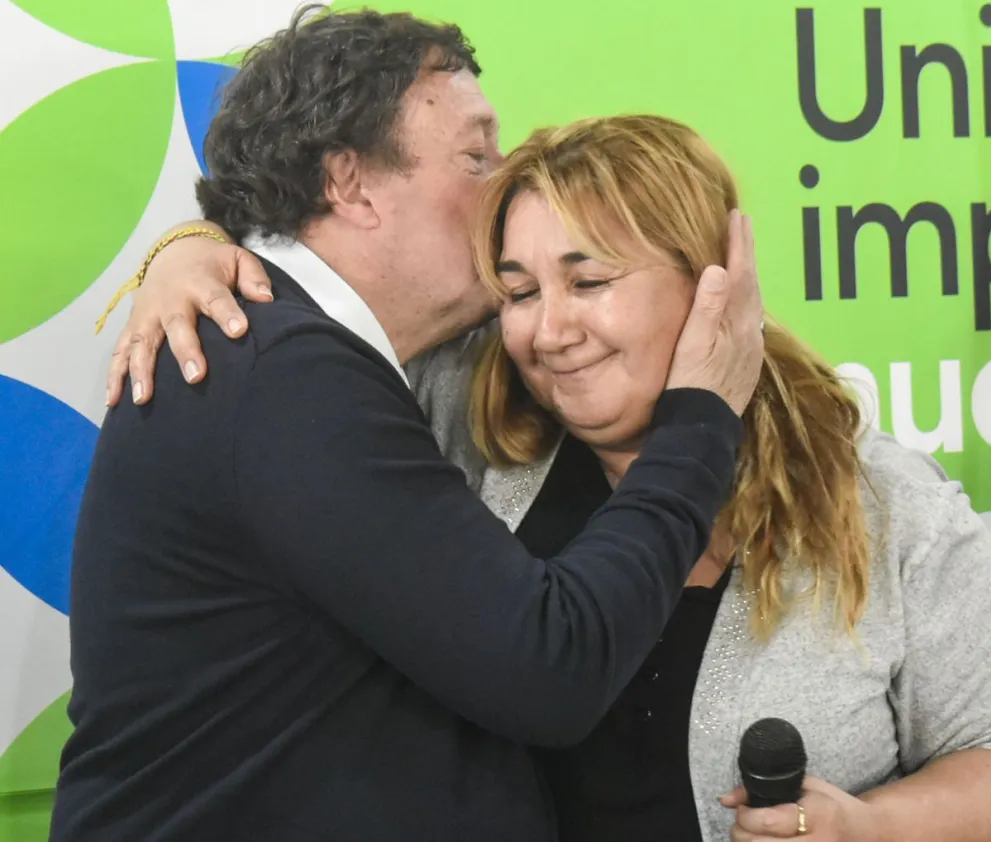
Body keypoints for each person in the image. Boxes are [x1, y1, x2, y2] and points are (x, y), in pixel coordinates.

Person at [115, 114, 991, 842]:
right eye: (520, 291)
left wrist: (877, 826)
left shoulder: (878, 501)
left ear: (710, 283)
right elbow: (318, 283)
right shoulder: (452, 421)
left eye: (591, 280)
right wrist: (192, 250)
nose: (549, 330)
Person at [53, 9, 766, 842]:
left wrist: (189, 240)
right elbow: (550, 668)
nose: (505, 189)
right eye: (475, 158)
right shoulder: (282, 375)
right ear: (350, 184)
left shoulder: (300, 355)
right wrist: (700, 418)